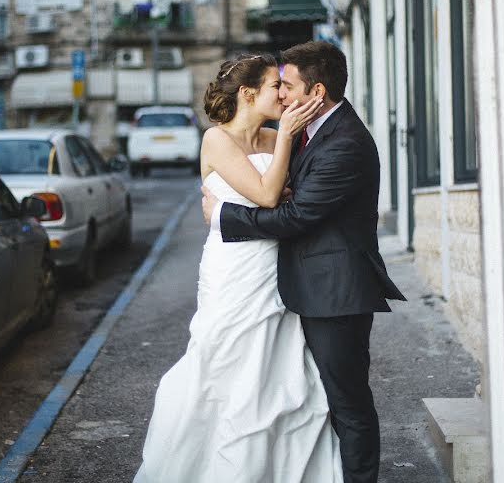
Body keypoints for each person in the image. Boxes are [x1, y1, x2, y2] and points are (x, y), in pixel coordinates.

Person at [202, 41, 407, 483]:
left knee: (346, 403)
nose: (282, 97)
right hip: (280, 282)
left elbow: (294, 214)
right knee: (285, 390)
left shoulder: (345, 143)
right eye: (277, 87)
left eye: (287, 86)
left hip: (335, 291)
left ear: (315, 91)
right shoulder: (309, 132)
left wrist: (223, 215)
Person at [134, 53, 342, 482]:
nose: (282, 94)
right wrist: (285, 140)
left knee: (274, 368)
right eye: (274, 87)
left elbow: (295, 200)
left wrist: (281, 146)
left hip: (273, 267)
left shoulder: (271, 137)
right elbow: (269, 196)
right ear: (249, 94)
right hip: (232, 269)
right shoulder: (217, 140)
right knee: (225, 360)